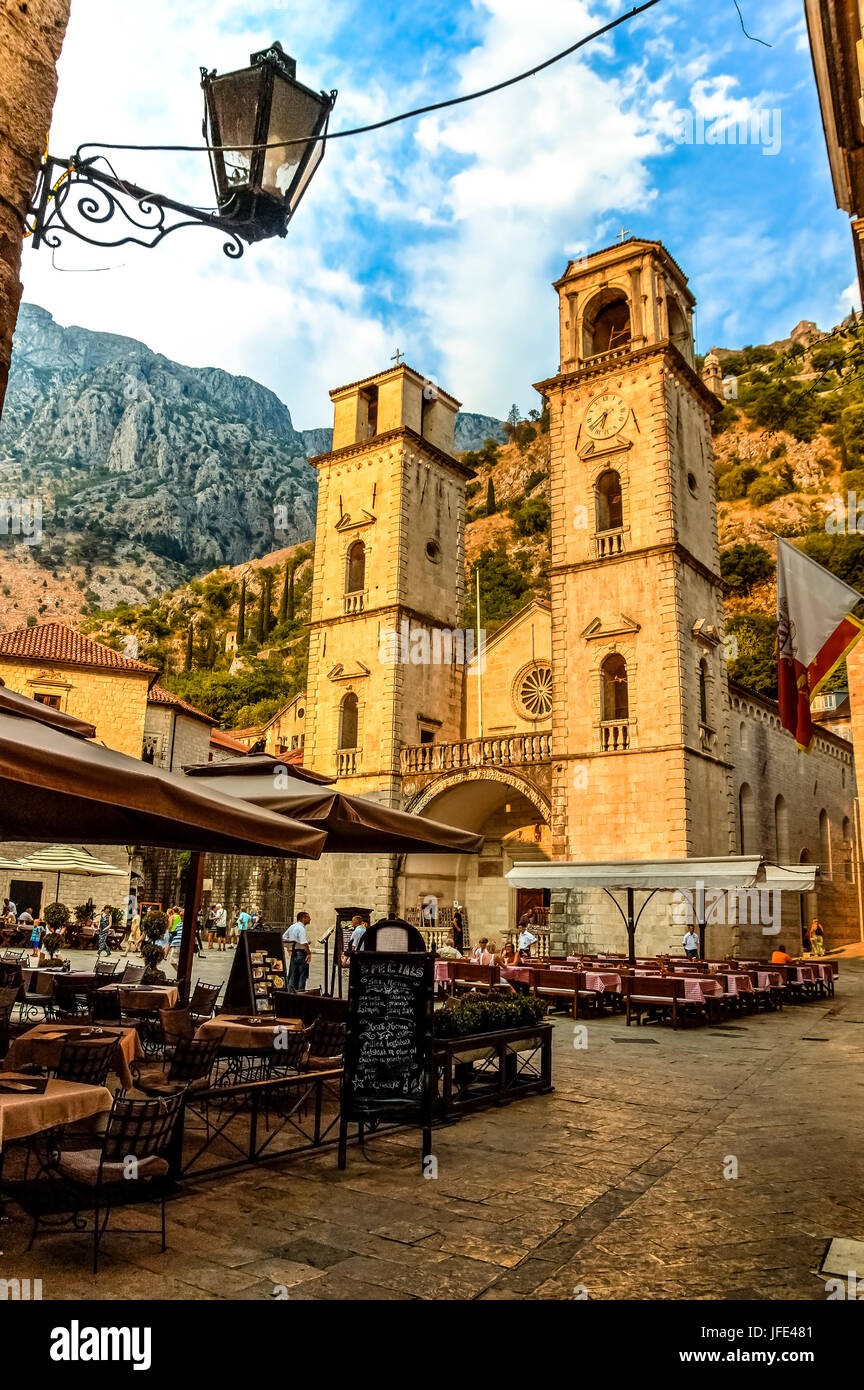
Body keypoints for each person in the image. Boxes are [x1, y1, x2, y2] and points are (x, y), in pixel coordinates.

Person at [283, 911, 312, 992]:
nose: (310, 919)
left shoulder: (292, 926)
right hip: (301, 954)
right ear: (303, 918)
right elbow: (303, 942)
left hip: (294, 953)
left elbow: (284, 937)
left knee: (293, 974)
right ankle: (300, 993)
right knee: (302, 976)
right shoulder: (301, 928)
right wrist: (309, 953)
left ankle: (291, 993)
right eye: (308, 917)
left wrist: (290, 947)